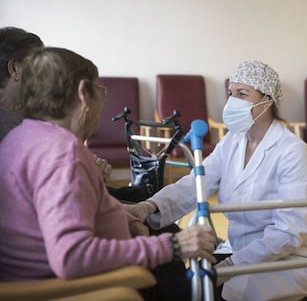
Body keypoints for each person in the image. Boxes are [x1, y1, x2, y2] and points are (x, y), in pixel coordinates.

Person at [0, 47, 217, 301]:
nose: (102, 102)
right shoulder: (62, 154)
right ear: (83, 94)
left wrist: (123, 217)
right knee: (194, 283)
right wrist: (174, 246)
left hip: (43, 274)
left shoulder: (21, 137)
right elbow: (71, 256)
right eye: (100, 92)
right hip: (81, 286)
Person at [127, 60, 307, 301]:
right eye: (231, 93)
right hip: (239, 253)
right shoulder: (234, 140)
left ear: (268, 100)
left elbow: (288, 232)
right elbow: (196, 182)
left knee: (193, 292)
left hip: (284, 263)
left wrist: (228, 267)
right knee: (177, 281)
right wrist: (147, 206)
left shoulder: (292, 151)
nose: (232, 102)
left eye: (242, 94)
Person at [0, 26, 112, 181]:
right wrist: (88, 177)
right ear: (15, 69)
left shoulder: (25, 122)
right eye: (36, 67)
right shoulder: (8, 129)